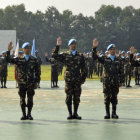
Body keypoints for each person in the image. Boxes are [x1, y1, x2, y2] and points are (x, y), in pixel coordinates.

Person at [52, 37, 87, 120]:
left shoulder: (80, 55)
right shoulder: (65, 55)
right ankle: (70, 113)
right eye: (72, 44)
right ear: (69, 45)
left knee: (77, 97)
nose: (73, 45)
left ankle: (75, 113)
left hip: (77, 80)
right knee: (68, 97)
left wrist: (83, 79)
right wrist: (58, 46)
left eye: (74, 44)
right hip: (69, 80)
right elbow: (54, 55)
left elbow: (84, 68)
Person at [6, 42, 39, 120]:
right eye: (26, 48)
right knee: (22, 99)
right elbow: (8, 60)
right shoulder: (19, 59)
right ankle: (24, 114)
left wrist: (36, 82)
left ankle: (29, 114)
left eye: (29, 48)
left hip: (31, 82)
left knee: (30, 99)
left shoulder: (34, 60)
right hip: (22, 83)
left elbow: (37, 72)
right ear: (23, 49)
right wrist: (8, 51)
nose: (28, 49)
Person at [92, 38, 123, 119]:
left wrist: (121, 81)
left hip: (115, 82)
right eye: (111, 49)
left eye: (114, 49)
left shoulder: (118, 60)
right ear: (108, 51)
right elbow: (95, 57)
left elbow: (121, 71)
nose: (113, 51)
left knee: (114, 98)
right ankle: (107, 113)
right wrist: (94, 48)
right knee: (106, 98)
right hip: (107, 82)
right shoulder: (105, 59)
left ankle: (114, 113)